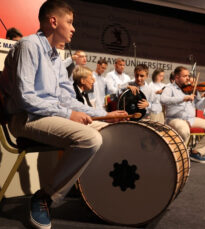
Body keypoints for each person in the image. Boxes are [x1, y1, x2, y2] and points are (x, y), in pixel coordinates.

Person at [0, 1, 126, 228]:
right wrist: (68, 114)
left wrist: (103, 115)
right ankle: (44, 197)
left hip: (49, 116)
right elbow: (25, 98)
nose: (74, 28)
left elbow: (68, 99)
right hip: (25, 118)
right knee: (90, 138)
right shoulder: (29, 46)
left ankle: (89, 189)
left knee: (108, 130)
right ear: (53, 21)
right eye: (70, 22)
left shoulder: (57, 58)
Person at [161, 66, 205, 163]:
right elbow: (163, 99)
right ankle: (177, 155)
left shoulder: (192, 89)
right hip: (175, 119)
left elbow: (200, 106)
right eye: (185, 76)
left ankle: (196, 152)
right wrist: (183, 98)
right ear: (176, 77)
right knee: (185, 131)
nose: (188, 78)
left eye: (188, 75)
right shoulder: (169, 88)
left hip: (191, 119)